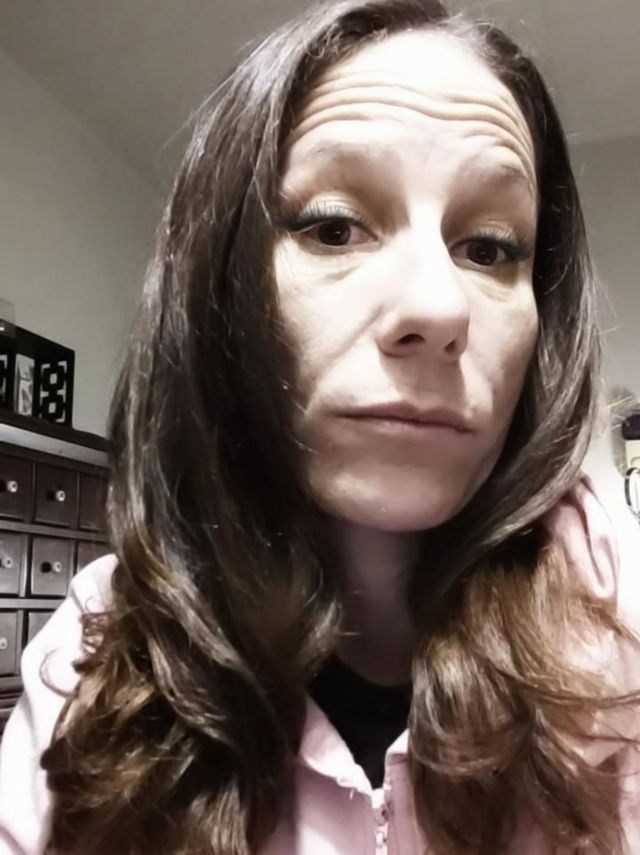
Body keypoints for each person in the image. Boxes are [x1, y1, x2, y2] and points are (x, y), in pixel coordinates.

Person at [1, 1, 640, 853]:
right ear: (218, 289)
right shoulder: (92, 653)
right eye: (333, 228)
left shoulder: (623, 619)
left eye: (490, 247)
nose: (439, 306)